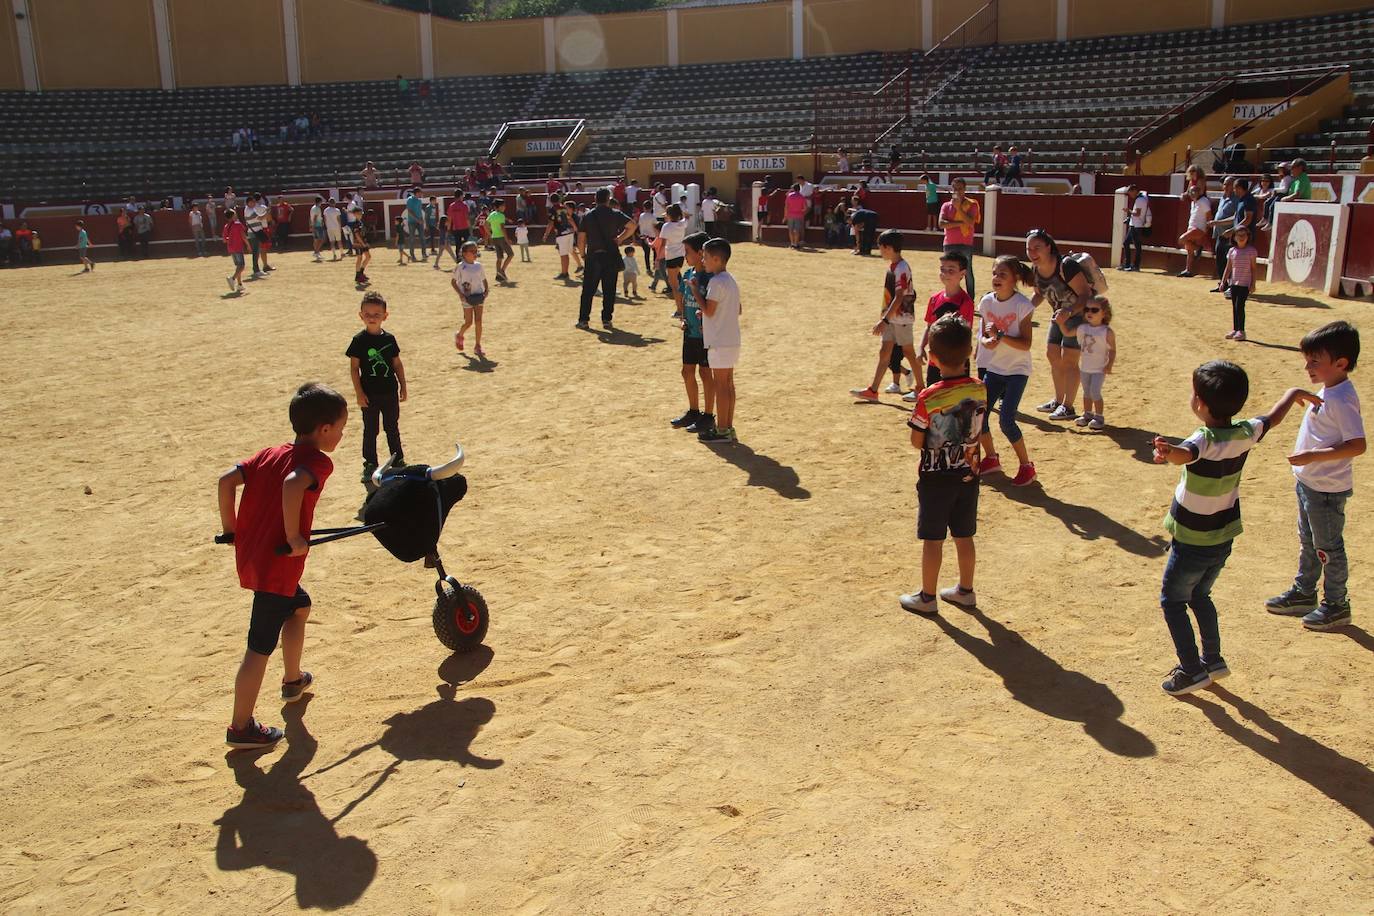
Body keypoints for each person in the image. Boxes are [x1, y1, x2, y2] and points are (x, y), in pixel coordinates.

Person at [1150, 362, 1318, 695]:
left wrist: (1169, 452)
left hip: (1191, 539)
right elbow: (1272, 417)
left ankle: (1191, 669)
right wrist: (1291, 393)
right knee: (1200, 595)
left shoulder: (1205, 438)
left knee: (1173, 601)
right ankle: (1213, 660)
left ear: (1200, 404)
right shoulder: (1244, 432)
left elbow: (1186, 454)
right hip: (1222, 537)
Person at [217, 382, 348, 747]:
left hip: (256, 559)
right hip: (278, 567)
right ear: (323, 429)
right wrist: (294, 538)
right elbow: (293, 486)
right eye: (340, 428)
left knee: (300, 607)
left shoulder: (269, 453)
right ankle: (240, 728)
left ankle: (293, 681)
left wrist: (231, 530)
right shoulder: (317, 462)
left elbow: (227, 481)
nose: (340, 434)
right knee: (258, 648)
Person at [1266, 321, 1365, 631]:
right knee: (1309, 541)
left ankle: (1337, 604)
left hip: (1326, 489)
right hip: (1310, 483)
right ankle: (1304, 593)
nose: (1307, 366)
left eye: (1314, 361)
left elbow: (1357, 445)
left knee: (1328, 548)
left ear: (1341, 363)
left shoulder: (1342, 398)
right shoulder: (1329, 390)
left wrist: (1312, 456)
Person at [899, 315, 987, 616]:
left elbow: (916, 439)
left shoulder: (929, 396)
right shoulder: (979, 388)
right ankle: (965, 590)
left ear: (933, 358)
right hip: (969, 474)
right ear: (969, 353)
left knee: (933, 538)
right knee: (965, 534)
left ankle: (927, 596)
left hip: (936, 477)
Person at [975, 256, 1037, 485]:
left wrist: (1000, 337)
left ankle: (1026, 466)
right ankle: (991, 458)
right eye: (994, 273)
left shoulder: (1023, 305)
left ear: (1015, 279)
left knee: (1007, 421)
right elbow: (982, 336)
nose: (996, 278)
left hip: (1017, 370)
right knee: (979, 417)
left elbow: (1026, 344)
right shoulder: (986, 303)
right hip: (995, 366)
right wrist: (986, 341)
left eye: (1003, 274)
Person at [849, 229, 924, 402]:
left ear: (888, 248)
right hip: (893, 317)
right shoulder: (896, 266)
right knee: (885, 352)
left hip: (900, 317)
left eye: (881, 247)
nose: (880, 251)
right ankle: (873, 390)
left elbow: (899, 296)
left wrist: (884, 320)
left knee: (909, 352)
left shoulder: (901, 268)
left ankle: (920, 388)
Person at [1027, 228, 1091, 422]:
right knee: (1053, 354)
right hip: (1059, 315)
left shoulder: (1067, 265)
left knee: (1070, 360)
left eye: (1037, 248)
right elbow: (1039, 293)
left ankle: (1068, 406)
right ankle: (1058, 400)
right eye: (1029, 249)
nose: (1032, 253)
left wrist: (1069, 312)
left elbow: (1085, 294)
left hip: (1078, 315)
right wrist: (1024, 311)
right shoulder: (1035, 269)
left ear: (1048, 247)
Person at [346, 291, 407, 484]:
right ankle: (370, 463)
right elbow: (355, 369)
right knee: (370, 430)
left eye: (377, 314)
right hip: (369, 394)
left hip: (389, 391)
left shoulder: (389, 339)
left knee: (392, 427)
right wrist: (359, 393)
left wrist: (403, 386)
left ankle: (397, 459)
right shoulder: (359, 341)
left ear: (385, 316)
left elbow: (397, 364)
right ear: (361, 315)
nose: (372, 318)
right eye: (368, 314)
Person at [669, 231, 716, 432]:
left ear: (700, 252)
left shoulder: (711, 278)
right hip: (690, 333)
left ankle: (708, 415)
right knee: (687, 371)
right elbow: (682, 297)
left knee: (706, 373)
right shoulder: (688, 275)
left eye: (687, 252)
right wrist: (682, 318)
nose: (684, 256)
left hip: (706, 335)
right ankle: (694, 411)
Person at [697, 239, 741, 443]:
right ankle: (727, 426)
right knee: (728, 384)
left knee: (721, 385)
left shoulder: (716, 281)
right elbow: (737, 309)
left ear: (716, 259)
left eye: (705, 257)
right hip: (731, 339)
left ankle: (722, 429)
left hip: (719, 341)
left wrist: (695, 291)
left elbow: (709, 310)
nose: (703, 261)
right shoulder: (730, 279)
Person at [576, 187, 634, 330]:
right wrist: (620, 239)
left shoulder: (588, 216)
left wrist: (583, 254)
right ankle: (606, 319)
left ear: (595, 199)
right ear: (609, 199)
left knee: (588, 290)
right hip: (611, 255)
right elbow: (632, 226)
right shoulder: (615, 214)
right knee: (609, 290)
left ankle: (584, 320)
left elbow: (581, 239)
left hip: (594, 255)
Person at [916, 251, 976, 387]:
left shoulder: (965, 302)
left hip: (956, 362)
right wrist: (921, 347)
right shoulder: (934, 299)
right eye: (943, 269)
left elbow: (965, 333)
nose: (946, 274)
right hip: (936, 359)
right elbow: (929, 326)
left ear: (963, 274)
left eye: (951, 270)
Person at [1074, 295, 1115, 430]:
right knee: (1086, 392)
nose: (1089, 313)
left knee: (1095, 391)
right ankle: (1087, 414)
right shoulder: (1083, 328)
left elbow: (1112, 350)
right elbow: (1070, 334)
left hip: (1099, 368)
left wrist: (1109, 365)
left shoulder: (1106, 332)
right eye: (1087, 309)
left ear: (1104, 313)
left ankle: (1099, 417)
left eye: (1094, 310)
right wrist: (1061, 323)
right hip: (1085, 367)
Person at [939, 177, 980, 298]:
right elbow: (941, 224)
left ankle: (970, 299)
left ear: (965, 189)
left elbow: (970, 222)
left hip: (965, 243)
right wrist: (960, 223)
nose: (957, 191)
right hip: (949, 243)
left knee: (967, 272)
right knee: (948, 271)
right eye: (955, 189)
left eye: (960, 189)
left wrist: (958, 209)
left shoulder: (972, 205)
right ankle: (950, 296)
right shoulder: (946, 206)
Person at [1219, 225, 1259, 341]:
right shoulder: (1232, 251)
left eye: (1244, 235)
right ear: (1234, 237)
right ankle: (1235, 329)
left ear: (1248, 237)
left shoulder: (1251, 251)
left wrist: (1253, 284)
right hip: (1234, 283)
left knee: (1239, 306)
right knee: (1234, 306)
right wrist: (1223, 281)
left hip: (1245, 283)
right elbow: (1228, 267)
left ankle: (1241, 330)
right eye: (1239, 235)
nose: (1241, 237)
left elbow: (1253, 269)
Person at [452, 240, 488, 358]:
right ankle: (460, 335)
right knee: (468, 322)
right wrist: (460, 295)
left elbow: (484, 279)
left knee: (479, 321)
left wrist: (486, 290)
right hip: (467, 298)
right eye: (472, 251)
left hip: (479, 296)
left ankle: (477, 345)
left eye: (476, 251)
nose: (475, 253)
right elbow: (453, 282)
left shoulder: (479, 265)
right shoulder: (460, 267)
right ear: (465, 253)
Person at [1207, 176, 1239, 289]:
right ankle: (1223, 283)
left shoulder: (1237, 199)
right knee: (1220, 260)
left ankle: (1231, 285)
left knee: (1229, 261)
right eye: (1224, 184)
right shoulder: (1223, 198)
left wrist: (1217, 222)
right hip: (1220, 234)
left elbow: (1236, 217)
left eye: (1228, 184)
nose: (1225, 187)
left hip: (1230, 234)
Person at [659, 203, 687, 319]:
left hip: (671, 256)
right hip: (680, 255)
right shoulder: (683, 223)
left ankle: (680, 310)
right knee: (677, 281)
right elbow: (686, 217)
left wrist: (657, 258)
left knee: (674, 285)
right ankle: (682, 308)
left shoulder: (666, 226)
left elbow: (663, 243)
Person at [1176, 184, 1212, 277]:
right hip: (1192, 227)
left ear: (1200, 192)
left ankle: (1199, 248)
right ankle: (1188, 270)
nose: (1192, 193)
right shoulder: (1193, 202)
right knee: (1189, 248)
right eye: (1190, 192)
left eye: (1194, 191)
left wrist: (1207, 229)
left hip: (1199, 228)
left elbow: (1209, 216)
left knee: (1181, 239)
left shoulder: (1203, 201)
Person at [545, 198, 578, 280]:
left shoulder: (552, 209)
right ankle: (565, 272)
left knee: (563, 254)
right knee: (567, 252)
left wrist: (546, 234)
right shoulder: (564, 207)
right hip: (569, 232)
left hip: (561, 233)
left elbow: (551, 223)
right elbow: (569, 218)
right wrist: (575, 227)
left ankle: (564, 273)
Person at [1120, 185, 1148, 272]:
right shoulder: (1141, 198)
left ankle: (1135, 265)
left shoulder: (1140, 199)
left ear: (1135, 191)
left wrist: (1128, 210)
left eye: (1130, 193)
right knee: (1127, 243)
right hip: (1134, 224)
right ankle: (1128, 264)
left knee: (1136, 245)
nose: (1130, 195)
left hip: (1137, 225)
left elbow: (1137, 213)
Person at [487, 199, 514, 283]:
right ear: (498, 207)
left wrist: (490, 234)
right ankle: (502, 271)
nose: (504, 207)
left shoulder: (491, 214)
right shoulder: (501, 216)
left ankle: (498, 274)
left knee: (499, 257)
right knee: (510, 254)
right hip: (501, 237)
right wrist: (507, 239)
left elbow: (485, 224)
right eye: (503, 206)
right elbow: (502, 228)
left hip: (495, 237)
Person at [222, 208, 248, 292]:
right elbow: (243, 236)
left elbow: (224, 240)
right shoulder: (238, 224)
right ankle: (232, 279)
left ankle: (239, 284)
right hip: (238, 247)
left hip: (231, 248)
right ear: (233, 216)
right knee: (242, 266)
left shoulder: (226, 226)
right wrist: (248, 245)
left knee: (238, 266)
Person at [350, 211, 371, 289]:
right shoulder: (356, 223)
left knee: (368, 257)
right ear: (355, 214)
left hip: (363, 242)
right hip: (358, 243)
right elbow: (357, 235)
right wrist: (362, 243)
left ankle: (360, 273)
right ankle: (357, 275)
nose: (361, 215)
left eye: (361, 213)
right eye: (359, 214)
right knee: (360, 258)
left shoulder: (360, 222)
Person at [404, 190, 425, 262]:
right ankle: (412, 255)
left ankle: (424, 254)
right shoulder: (410, 200)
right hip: (412, 222)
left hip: (419, 221)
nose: (421, 194)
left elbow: (419, 211)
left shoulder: (419, 201)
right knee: (412, 239)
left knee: (422, 238)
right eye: (420, 193)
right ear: (416, 193)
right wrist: (417, 219)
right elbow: (409, 211)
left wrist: (422, 219)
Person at [784, 184, 807, 249]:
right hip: (799, 215)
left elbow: (786, 206)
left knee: (790, 229)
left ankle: (792, 243)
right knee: (797, 230)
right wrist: (801, 210)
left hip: (790, 215)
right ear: (799, 189)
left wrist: (785, 216)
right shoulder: (802, 197)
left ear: (793, 189)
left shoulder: (789, 196)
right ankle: (796, 244)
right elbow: (805, 208)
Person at [636, 201, 657, 273]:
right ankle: (655, 265)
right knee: (655, 252)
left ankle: (648, 268)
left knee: (646, 253)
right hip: (652, 236)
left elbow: (639, 225)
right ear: (651, 208)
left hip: (644, 236)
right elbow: (655, 227)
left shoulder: (641, 215)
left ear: (644, 207)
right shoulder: (653, 216)